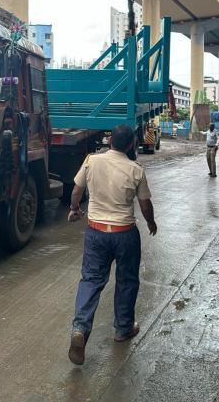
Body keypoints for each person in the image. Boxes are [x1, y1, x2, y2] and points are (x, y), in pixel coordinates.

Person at [67, 124, 157, 365]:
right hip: (124, 233)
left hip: (96, 232)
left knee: (91, 280)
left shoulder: (91, 161)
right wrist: (151, 223)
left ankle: (80, 329)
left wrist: (75, 209)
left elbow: (77, 191)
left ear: (109, 141)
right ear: (130, 145)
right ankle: (123, 328)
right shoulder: (135, 170)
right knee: (127, 281)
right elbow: (145, 204)